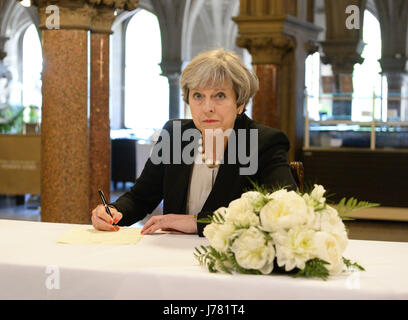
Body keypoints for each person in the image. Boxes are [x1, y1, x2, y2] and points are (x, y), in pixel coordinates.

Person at [91, 48, 297, 237]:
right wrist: (115, 211)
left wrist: (198, 223)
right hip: (172, 258)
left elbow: (283, 213)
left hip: (232, 261)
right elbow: (140, 197)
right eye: (198, 95)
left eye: (219, 96)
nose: (207, 107)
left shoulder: (264, 142)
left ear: (240, 103)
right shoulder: (176, 135)